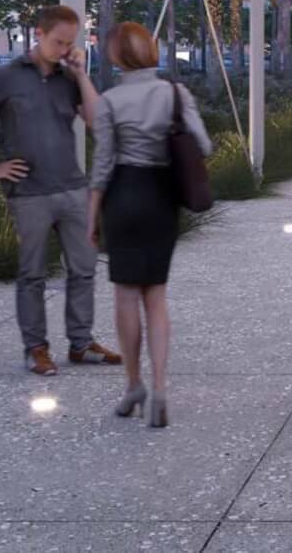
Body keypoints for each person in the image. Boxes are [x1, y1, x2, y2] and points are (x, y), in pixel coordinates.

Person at [0, 4, 121, 376]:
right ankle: (36, 349)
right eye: (58, 42)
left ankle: (81, 343)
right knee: (32, 275)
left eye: (70, 43)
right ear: (38, 35)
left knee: (84, 269)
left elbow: (95, 122)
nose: (64, 49)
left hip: (73, 188)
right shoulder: (6, 76)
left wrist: (81, 74)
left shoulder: (68, 77)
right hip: (29, 192)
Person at [89, 21, 209, 428]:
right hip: (161, 198)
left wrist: (91, 219)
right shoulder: (175, 94)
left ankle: (133, 384)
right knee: (155, 296)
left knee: (125, 295)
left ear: (118, 55)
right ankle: (159, 389)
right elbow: (203, 145)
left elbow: (102, 166)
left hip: (122, 195)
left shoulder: (109, 101)